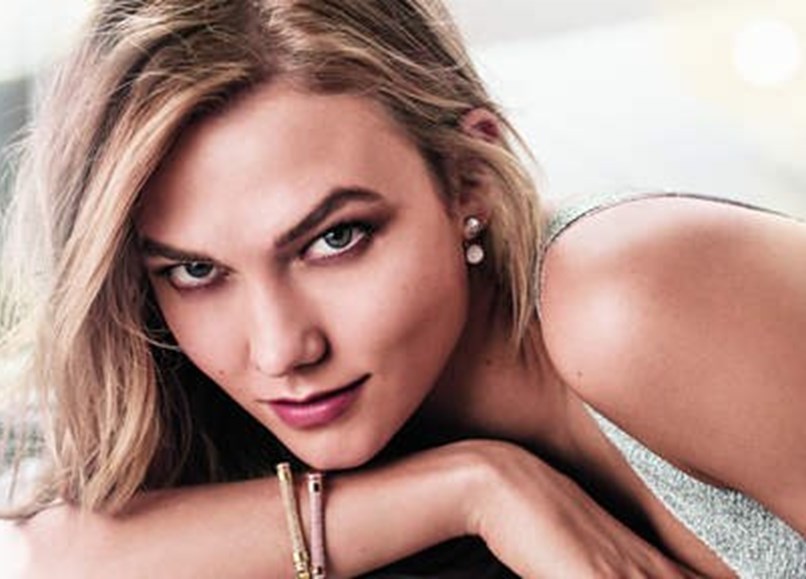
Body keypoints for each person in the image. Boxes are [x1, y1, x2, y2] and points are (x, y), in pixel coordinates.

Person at [1, 1, 804, 577]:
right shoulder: (286, 424)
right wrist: (477, 486)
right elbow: (49, 556)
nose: (280, 349)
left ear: (467, 178)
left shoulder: (627, 293)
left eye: (335, 238)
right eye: (197, 270)